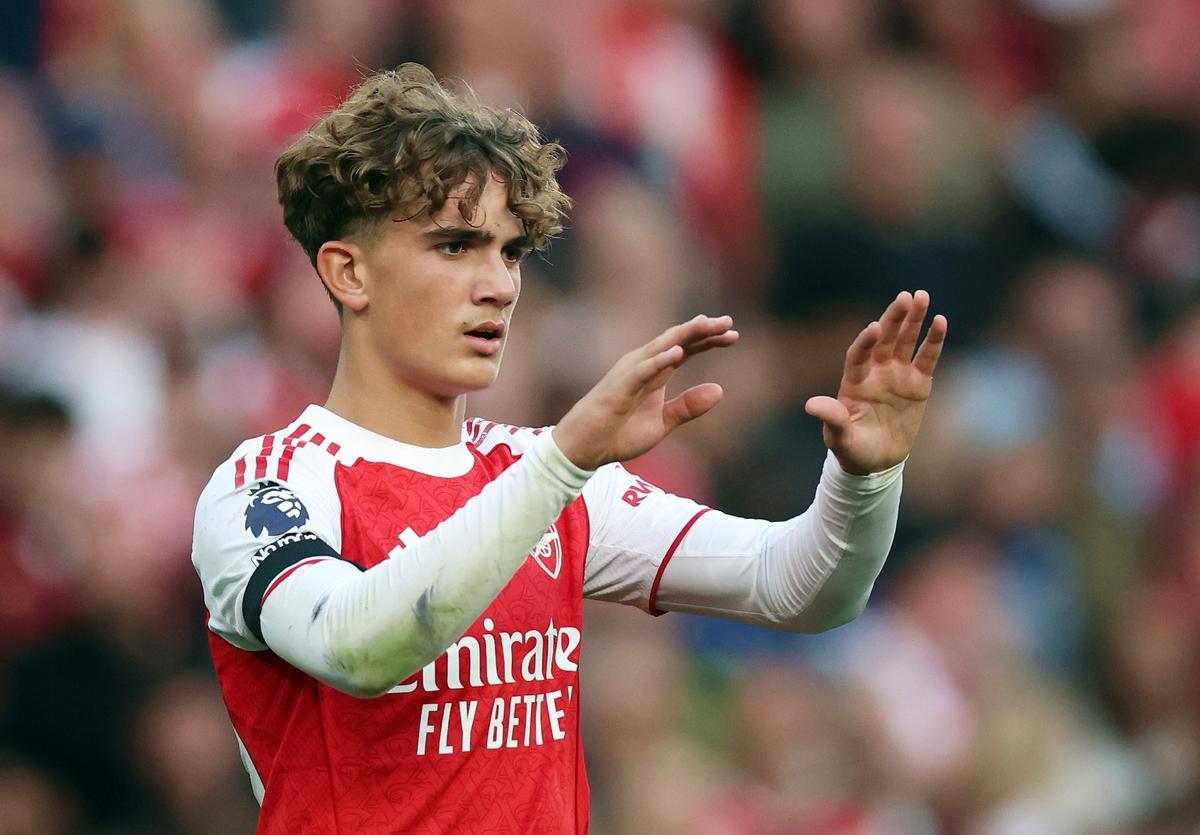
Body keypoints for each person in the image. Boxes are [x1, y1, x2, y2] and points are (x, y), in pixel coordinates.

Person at [191, 63, 947, 834]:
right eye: (454, 246)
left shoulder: (548, 476)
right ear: (349, 272)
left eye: (509, 252)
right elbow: (356, 647)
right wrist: (563, 461)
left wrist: (865, 477)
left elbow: (803, 588)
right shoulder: (267, 487)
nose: (498, 285)